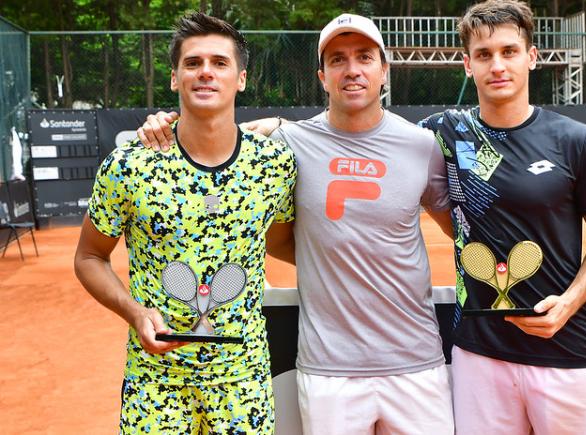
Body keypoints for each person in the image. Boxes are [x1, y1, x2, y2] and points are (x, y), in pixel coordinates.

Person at [137, 13, 454, 435]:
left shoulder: (422, 145)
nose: (352, 69)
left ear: (384, 71)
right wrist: (160, 125)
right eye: (338, 60)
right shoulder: (285, 145)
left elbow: (464, 229)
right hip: (328, 372)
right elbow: (209, 141)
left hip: (417, 364)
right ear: (322, 76)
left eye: (364, 57)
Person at [74, 12, 295, 434]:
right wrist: (136, 314)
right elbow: (88, 256)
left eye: (219, 62)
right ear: (175, 78)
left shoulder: (274, 165)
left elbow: (281, 242)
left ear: (241, 78)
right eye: (192, 63)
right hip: (155, 384)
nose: (205, 73)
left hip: (242, 383)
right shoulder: (129, 165)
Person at [418, 1, 586, 434]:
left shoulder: (574, 139)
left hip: (566, 349)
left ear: (531, 57)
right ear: (466, 65)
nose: (497, 65)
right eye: (484, 54)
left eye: (509, 51)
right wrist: (279, 127)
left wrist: (567, 305)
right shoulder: (444, 131)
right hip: (479, 354)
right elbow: (367, 135)